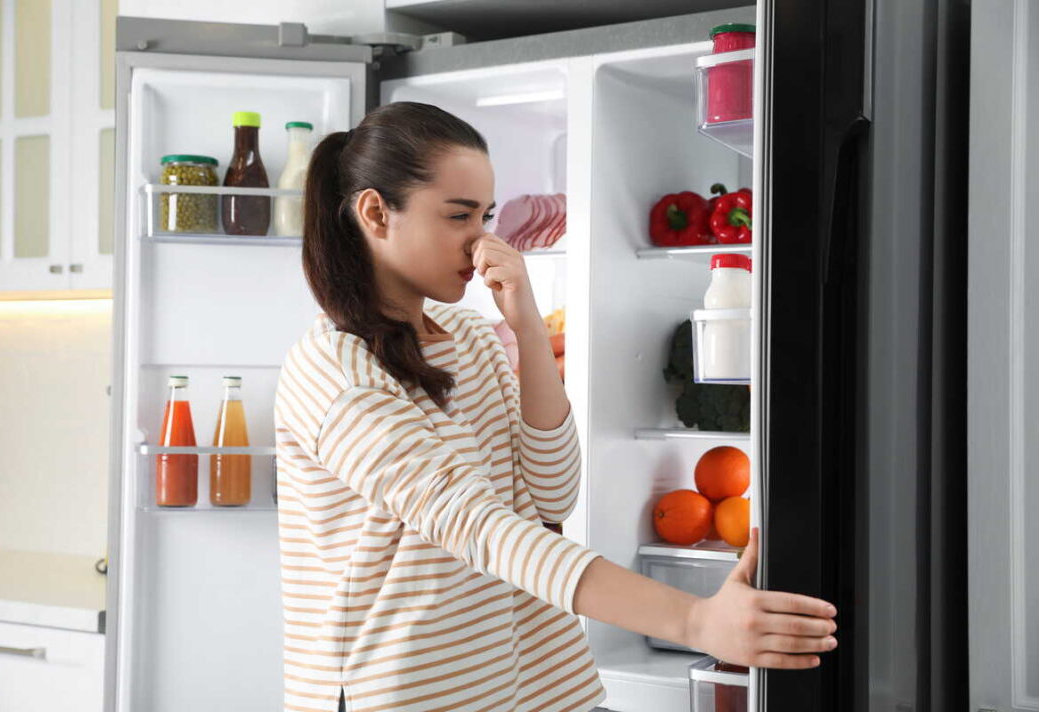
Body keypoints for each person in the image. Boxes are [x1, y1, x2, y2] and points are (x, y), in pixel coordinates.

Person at [273, 101, 837, 712]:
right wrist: (698, 622)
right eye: (459, 216)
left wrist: (527, 328)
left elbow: (550, 495)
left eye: (486, 216)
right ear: (377, 213)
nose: (481, 239)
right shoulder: (333, 374)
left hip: (542, 682)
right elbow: (479, 528)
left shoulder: (467, 336)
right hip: (409, 691)